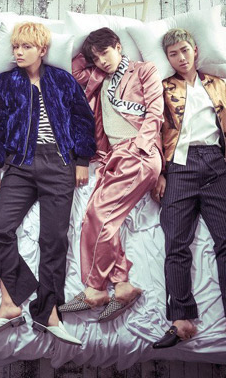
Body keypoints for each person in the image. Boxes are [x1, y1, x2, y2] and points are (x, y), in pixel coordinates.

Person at [0, 22, 95, 345]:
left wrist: (82, 160)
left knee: (54, 240)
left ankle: (48, 312)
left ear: (42, 50)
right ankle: (15, 298)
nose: (18, 52)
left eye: (26, 47)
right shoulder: (2, 84)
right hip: (20, 163)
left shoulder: (62, 80)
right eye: (15, 47)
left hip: (60, 163)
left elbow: (83, 119)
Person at [152, 28, 226, 348]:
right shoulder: (163, 87)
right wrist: (159, 173)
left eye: (184, 50)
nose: (181, 58)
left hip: (214, 163)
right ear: (168, 58)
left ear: (195, 50)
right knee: (176, 243)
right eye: (173, 54)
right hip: (178, 167)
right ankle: (182, 319)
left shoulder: (217, 84)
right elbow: (154, 131)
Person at [60, 27, 163, 321]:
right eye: (96, 58)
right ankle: (122, 285)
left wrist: (141, 148)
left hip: (138, 151)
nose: (102, 61)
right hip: (112, 157)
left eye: (105, 53)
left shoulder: (143, 70)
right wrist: (89, 53)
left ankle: (95, 289)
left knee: (100, 215)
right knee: (95, 217)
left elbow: (155, 112)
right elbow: (72, 71)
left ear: (119, 46)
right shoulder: (97, 77)